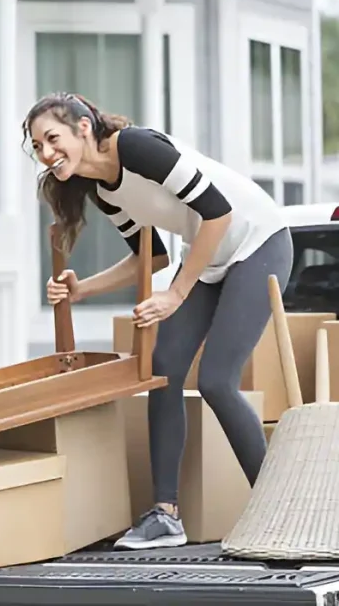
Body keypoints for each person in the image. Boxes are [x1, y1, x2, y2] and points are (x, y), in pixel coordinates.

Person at [22, 91, 292, 551]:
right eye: (37, 147)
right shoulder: (106, 192)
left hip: (259, 241)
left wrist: (176, 293)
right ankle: (165, 515)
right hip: (208, 262)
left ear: (83, 128)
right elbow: (153, 257)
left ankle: (280, 510)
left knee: (217, 381)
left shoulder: (138, 148)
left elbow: (218, 212)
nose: (47, 154)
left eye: (52, 138)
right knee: (162, 370)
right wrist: (82, 288)